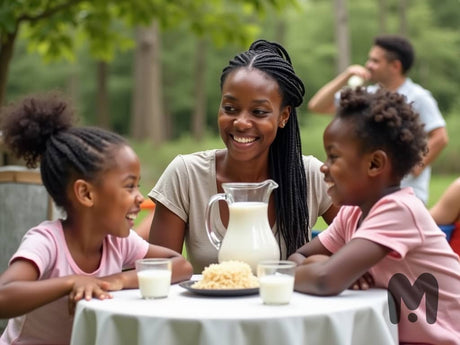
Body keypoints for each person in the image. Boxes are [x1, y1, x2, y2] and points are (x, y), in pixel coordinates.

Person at [0, 93, 193, 344]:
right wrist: (71, 282)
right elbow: (3, 297)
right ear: (86, 193)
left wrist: (117, 279)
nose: (139, 197)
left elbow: (181, 266)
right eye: (129, 187)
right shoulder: (47, 241)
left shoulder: (117, 242)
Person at [146, 39, 339, 273]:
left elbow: (360, 238)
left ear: (283, 116)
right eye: (230, 108)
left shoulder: (309, 175)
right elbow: (158, 272)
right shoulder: (186, 174)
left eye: (258, 112)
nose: (241, 122)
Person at [289, 87, 460, 344]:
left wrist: (317, 271)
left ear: (375, 164)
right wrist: (318, 266)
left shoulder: (398, 210)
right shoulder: (351, 213)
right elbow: (298, 257)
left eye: (334, 157)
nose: (324, 167)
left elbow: (325, 281)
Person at [307, 34, 448, 204]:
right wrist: (346, 75)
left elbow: (440, 137)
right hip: (372, 191)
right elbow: (317, 106)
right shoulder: (369, 95)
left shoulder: (419, 97)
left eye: (375, 61)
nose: (368, 65)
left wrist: (414, 166)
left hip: (405, 195)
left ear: (395, 66)